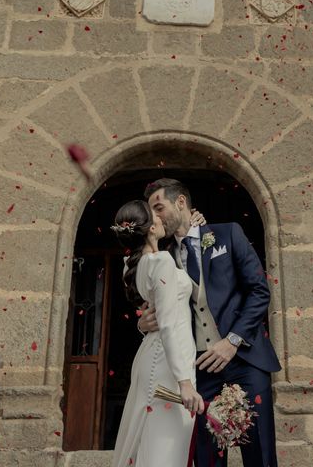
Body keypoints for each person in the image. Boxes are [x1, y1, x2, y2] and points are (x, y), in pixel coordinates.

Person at [139, 178, 281, 467]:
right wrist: (142, 324)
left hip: (245, 361)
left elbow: (259, 291)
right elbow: (151, 308)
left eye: (159, 207)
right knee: (206, 457)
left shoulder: (228, 233)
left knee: (260, 455)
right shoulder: (162, 256)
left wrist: (232, 341)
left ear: (181, 203)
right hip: (200, 370)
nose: (156, 217)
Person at [110, 200, 205, 467]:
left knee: (153, 442)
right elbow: (166, 325)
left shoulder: (131, 262)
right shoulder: (161, 261)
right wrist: (184, 383)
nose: (162, 219)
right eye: (157, 215)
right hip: (167, 363)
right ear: (150, 228)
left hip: (152, 355)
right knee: (166, 449)